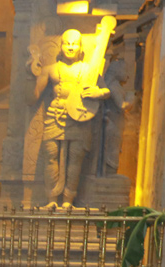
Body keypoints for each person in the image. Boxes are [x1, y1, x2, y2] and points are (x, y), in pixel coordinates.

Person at [34, 29, 110, 209]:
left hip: (79, 117)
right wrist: (33, 73)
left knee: (76, 158)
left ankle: (68, 200)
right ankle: (52, 199)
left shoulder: (88, 70)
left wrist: (97, 92)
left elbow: (106, 91)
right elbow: (33, 96)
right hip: (55, 115)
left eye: (74, 43)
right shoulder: (51, 69)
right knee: (50, 155)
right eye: (67, 43)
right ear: (61, 46)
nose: (70, 47)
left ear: (80, 47)